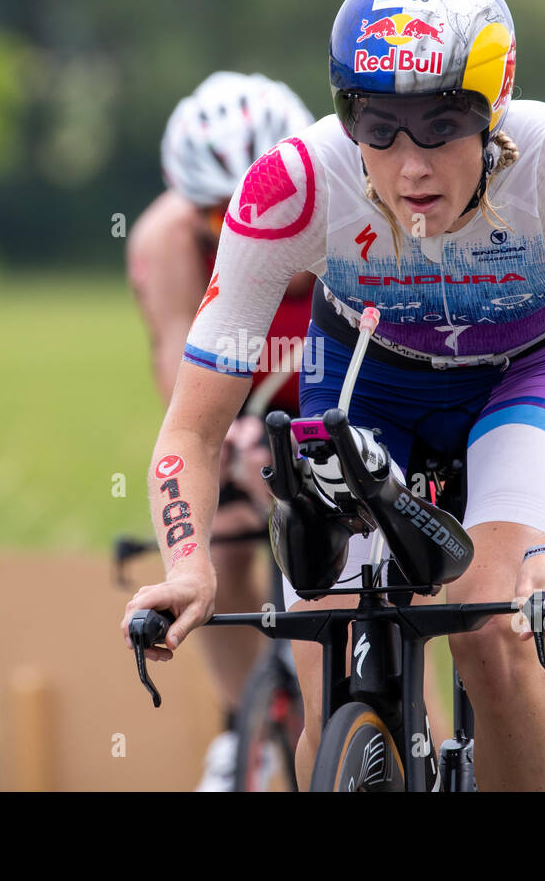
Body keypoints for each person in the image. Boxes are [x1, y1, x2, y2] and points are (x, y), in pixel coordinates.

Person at [121, 0, 545, 791]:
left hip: (528, 374)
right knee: (326, 644)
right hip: (366, 377)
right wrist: (190, 565)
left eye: (442, 125)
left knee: (489, 624)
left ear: (495, 112)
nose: (410, 165)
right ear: (346, 115)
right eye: (378, 127)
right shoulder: (290, 187)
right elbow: (193, 427)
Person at [126, 71, 316, 790]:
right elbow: (186, 399)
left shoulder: (350, 214)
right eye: (220, 220)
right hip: (237, 407)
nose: (250, 234)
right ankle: (248, 728)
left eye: (273, 211)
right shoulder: (165, 241)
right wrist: (237, 450)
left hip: (338, 400)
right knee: (227, 539)